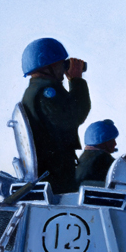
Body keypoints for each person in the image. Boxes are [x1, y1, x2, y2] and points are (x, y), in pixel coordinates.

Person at [21, 38, 91, 194]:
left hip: (53, 172)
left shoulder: (37, 90)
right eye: (61, 63)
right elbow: (75, 116)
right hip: (56, 177)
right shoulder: (46, 93)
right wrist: (76, 80)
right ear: (48, 66)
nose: (63, 68)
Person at [75, 120, 119, 187]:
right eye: (112, 140)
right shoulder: (103, 159)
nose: (115, 144)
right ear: (103, 141)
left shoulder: (85, 157)